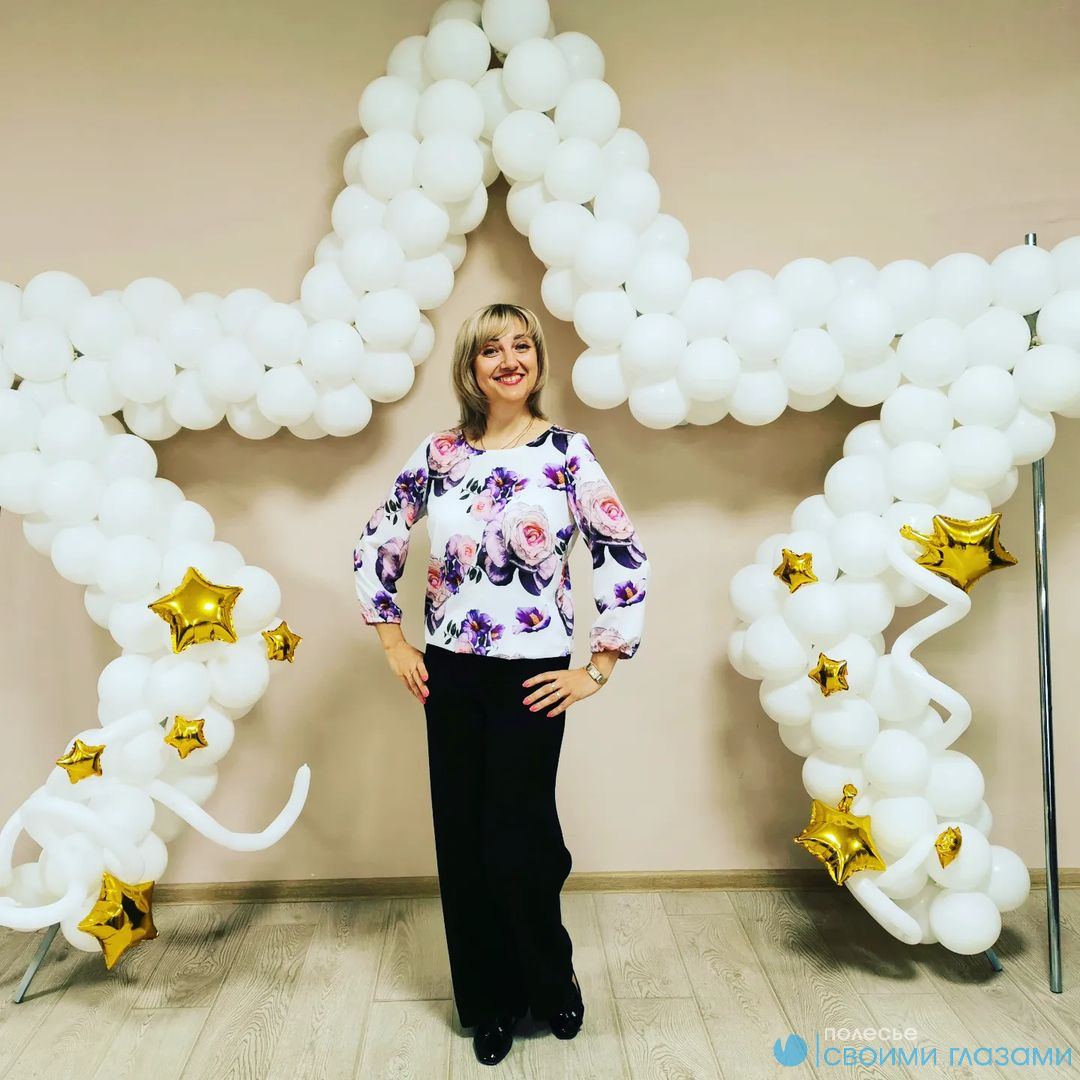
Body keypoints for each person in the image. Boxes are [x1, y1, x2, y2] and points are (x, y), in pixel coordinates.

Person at [352, 302, 650, 1067]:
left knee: (521, 842)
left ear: (538, 361)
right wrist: (392, 638)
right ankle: (487, 1002)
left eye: (523, 345)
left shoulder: (567, 454)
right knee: (464, 841)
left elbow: (620, 549)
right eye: (492, 348)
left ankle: (551, 983)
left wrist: (599, 665)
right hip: (451, 671)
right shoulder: (440, 454)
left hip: (532, 674)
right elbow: (381, 536)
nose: (510, 359)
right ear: (471, 367)